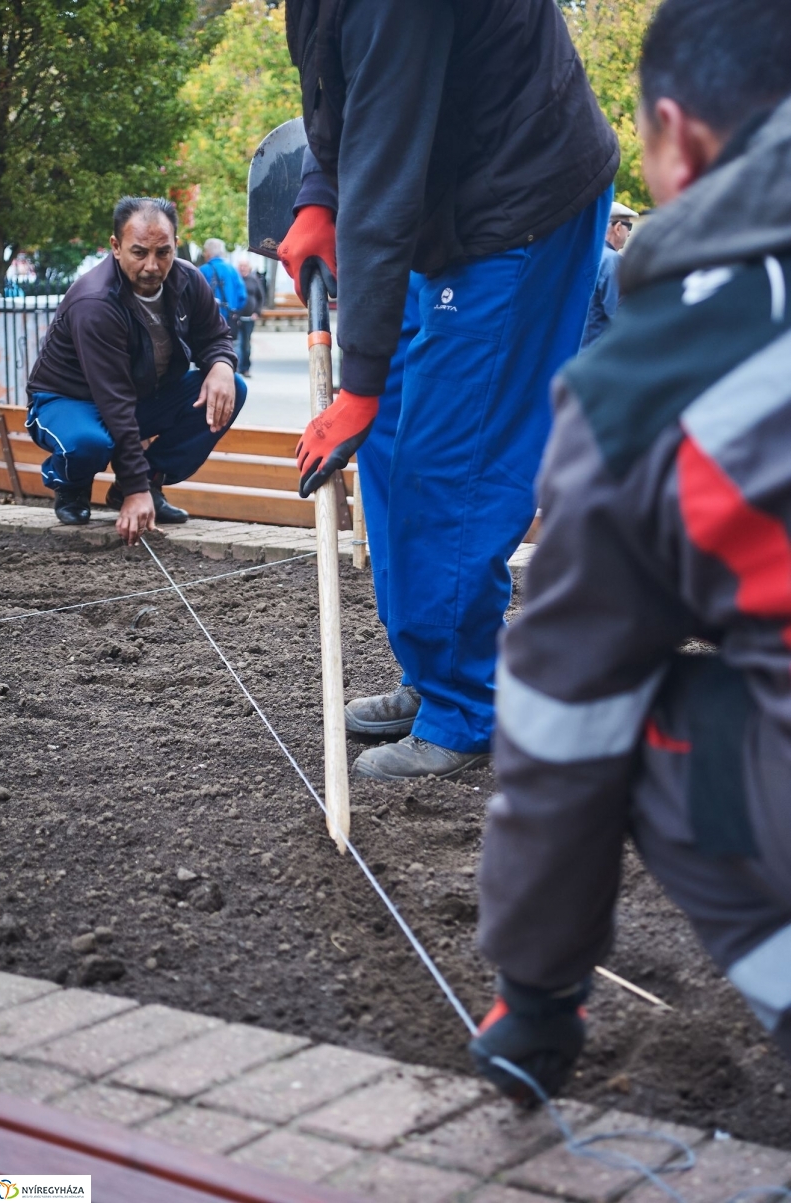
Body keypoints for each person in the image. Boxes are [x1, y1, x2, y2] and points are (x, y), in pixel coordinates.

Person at [470, 0, 791, 1103]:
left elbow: (562, 710)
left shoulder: (654, 380)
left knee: (632, 704)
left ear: (674, 136)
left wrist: (537, 995)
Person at [279, 0, 619, 780]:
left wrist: (358, 382)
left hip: (518, 198)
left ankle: (468, 708)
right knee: (393, 441)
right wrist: (315, 191)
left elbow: (387, 156)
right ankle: (435, 676)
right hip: (456, 181)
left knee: (448, 459)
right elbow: (338, 86)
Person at [26, 197, 246, 543]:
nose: (153, 266)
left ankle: (151, 480)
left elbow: (215, 335)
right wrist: (134, 489)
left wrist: (220, 363)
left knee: (231, 385)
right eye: (139, 252)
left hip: (140, 396)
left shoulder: (188, 280)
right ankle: (71, 483)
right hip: (68, 402)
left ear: (176, 244)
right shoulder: (95, 303)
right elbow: (114, 400)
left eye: (163, 253)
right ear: (116, 247)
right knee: (88, 444)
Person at [580, 200, 638, 347]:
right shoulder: (612, 261)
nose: (630, 233)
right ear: (618, 228)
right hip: (599, 357)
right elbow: (624, 316)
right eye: (628, 226)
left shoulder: (580, 257)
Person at [199, 239, 247, 337]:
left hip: (208, 323)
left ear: (208, 253)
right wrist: (234, 309)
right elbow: (242, 296)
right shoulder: (232, 269)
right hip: (229, 321)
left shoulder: (202, 271)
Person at [235, 260, 266, 377]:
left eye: (245, 266)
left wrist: (257, 312)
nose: (243, 268)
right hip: (237, 318)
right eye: (241, 266)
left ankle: (246, 368)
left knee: (246, 344)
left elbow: (261, 297)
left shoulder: (254, 280)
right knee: (237, 343)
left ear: (249, 268)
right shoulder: (236, 279)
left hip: (249, 318)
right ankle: (236, 367)